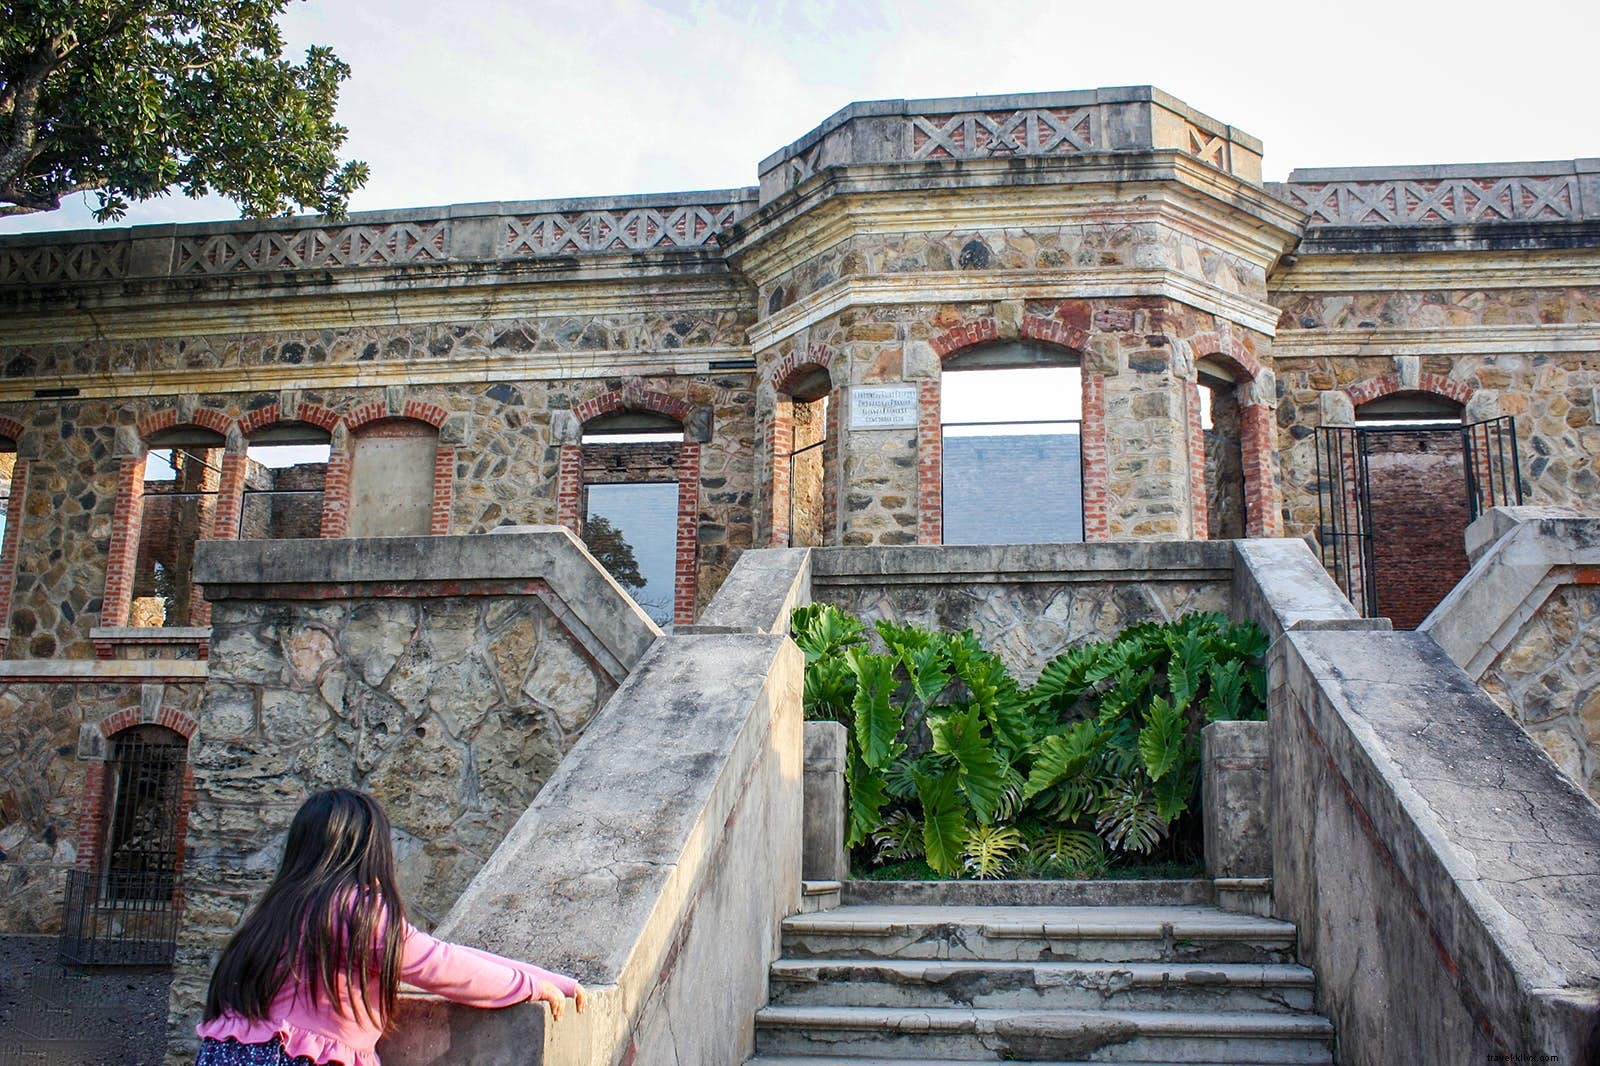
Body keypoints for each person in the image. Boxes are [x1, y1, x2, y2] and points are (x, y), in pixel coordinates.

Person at [196, 789, 584, 1066]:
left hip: (224, 1054)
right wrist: (528, 985)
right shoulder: (354, 911)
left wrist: (543, 977)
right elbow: (440, 964)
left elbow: (434, 949)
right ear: (371, 849)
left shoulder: (275, 910)